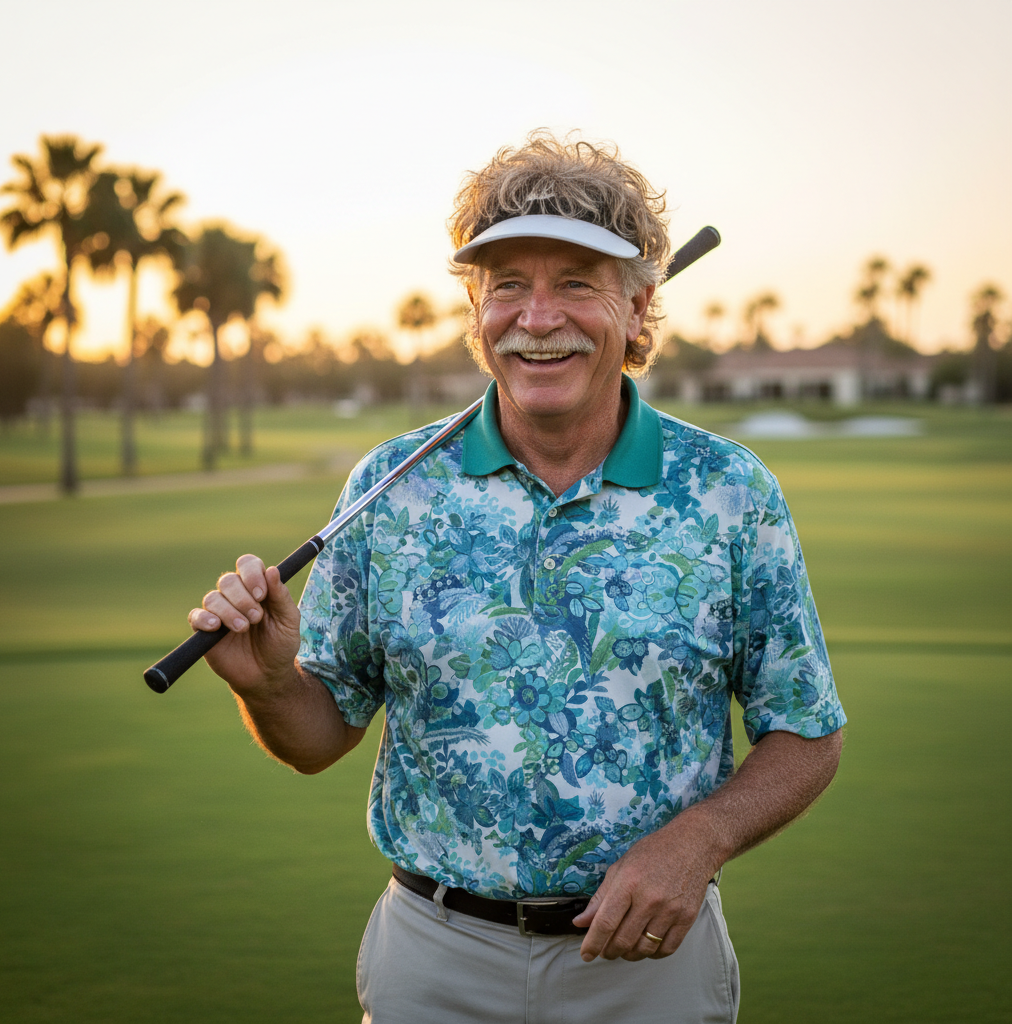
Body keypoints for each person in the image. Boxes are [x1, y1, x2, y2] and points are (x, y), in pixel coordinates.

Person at [190, 133, 845, 1023]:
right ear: (477, 310)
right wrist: (269, 685)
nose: (538, 318)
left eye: (577, 281)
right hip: (435, 959)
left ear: (640, 307)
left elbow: (806, 731)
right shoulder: (393, 489)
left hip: (648, 967)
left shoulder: (729, 493)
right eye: (508, 285)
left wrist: (699, 842)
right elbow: (317, 739)